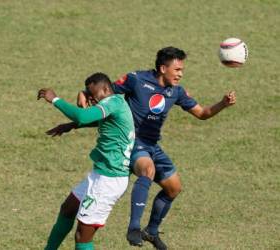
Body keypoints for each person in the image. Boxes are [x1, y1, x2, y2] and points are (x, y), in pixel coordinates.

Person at [78, 46, 236, 250]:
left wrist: (222, 104)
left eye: (182, 70)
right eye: (177, 69)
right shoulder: (136, 80)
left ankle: (151, 231)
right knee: (148, 170)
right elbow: (105, 90)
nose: (180, 74)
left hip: (152, 145)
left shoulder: (176, 92)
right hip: (132, 141)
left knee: (173, 188)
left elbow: (203, 113)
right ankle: (133, 227)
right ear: (163, 68)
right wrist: (83, 92)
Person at [38, 72, 135, 250]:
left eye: (93, 94)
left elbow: (83, 116)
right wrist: (70, 126)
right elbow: (94, 120)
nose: (91, 99)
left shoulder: (112, 102)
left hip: (109, 180)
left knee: (82, 236)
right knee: (68, 208)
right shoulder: (114, 105)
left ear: (106, 89)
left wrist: (55, 99)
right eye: (88, 95)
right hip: (100, 174)